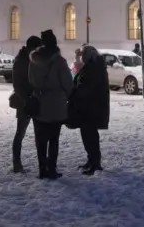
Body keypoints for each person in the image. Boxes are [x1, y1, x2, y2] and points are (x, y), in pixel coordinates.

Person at [28, 29, 73, 179]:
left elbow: (31, 80)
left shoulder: (34, 60)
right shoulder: (59, 62)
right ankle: (52, 169)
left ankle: (42, 169)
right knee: (54, 139)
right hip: (56, 106)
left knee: (40, 140)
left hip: (39, 103)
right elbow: (68, 84)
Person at [69, 45, 109, 175]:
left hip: (91, 108)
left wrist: (74, 92)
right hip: (89, 107)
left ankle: (95, 162)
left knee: (90, 136)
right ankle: (92, 160)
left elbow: (86, 87)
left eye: (83, 54)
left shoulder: (93, 68)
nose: (81, 57)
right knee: (88, 135)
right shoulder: (93, 66)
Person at [11, 35, 42, 173]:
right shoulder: (23, 60)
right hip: (26, 101)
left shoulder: (24, 59)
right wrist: (26, 96)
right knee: (21, 133)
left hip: (31, 99)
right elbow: (18, 83)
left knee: (31, 133)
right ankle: (17, 163)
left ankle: (20, 163)